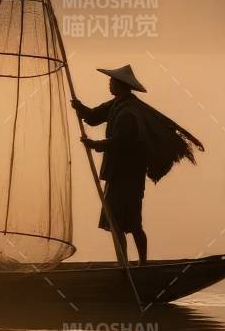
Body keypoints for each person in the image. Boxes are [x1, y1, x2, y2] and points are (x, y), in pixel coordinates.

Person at [71, 64, 204, 266]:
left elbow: (120, 142)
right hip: (116, 174)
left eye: (112, 81)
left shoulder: (129, 113)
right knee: (115, 223)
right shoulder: (116, 105)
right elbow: (93, 117)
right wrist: (79, 107)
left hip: (129, 177)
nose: (109, 84)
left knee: (132, 224)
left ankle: (141, 264)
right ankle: (124, 263)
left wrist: (95, 144)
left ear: (121, 86)